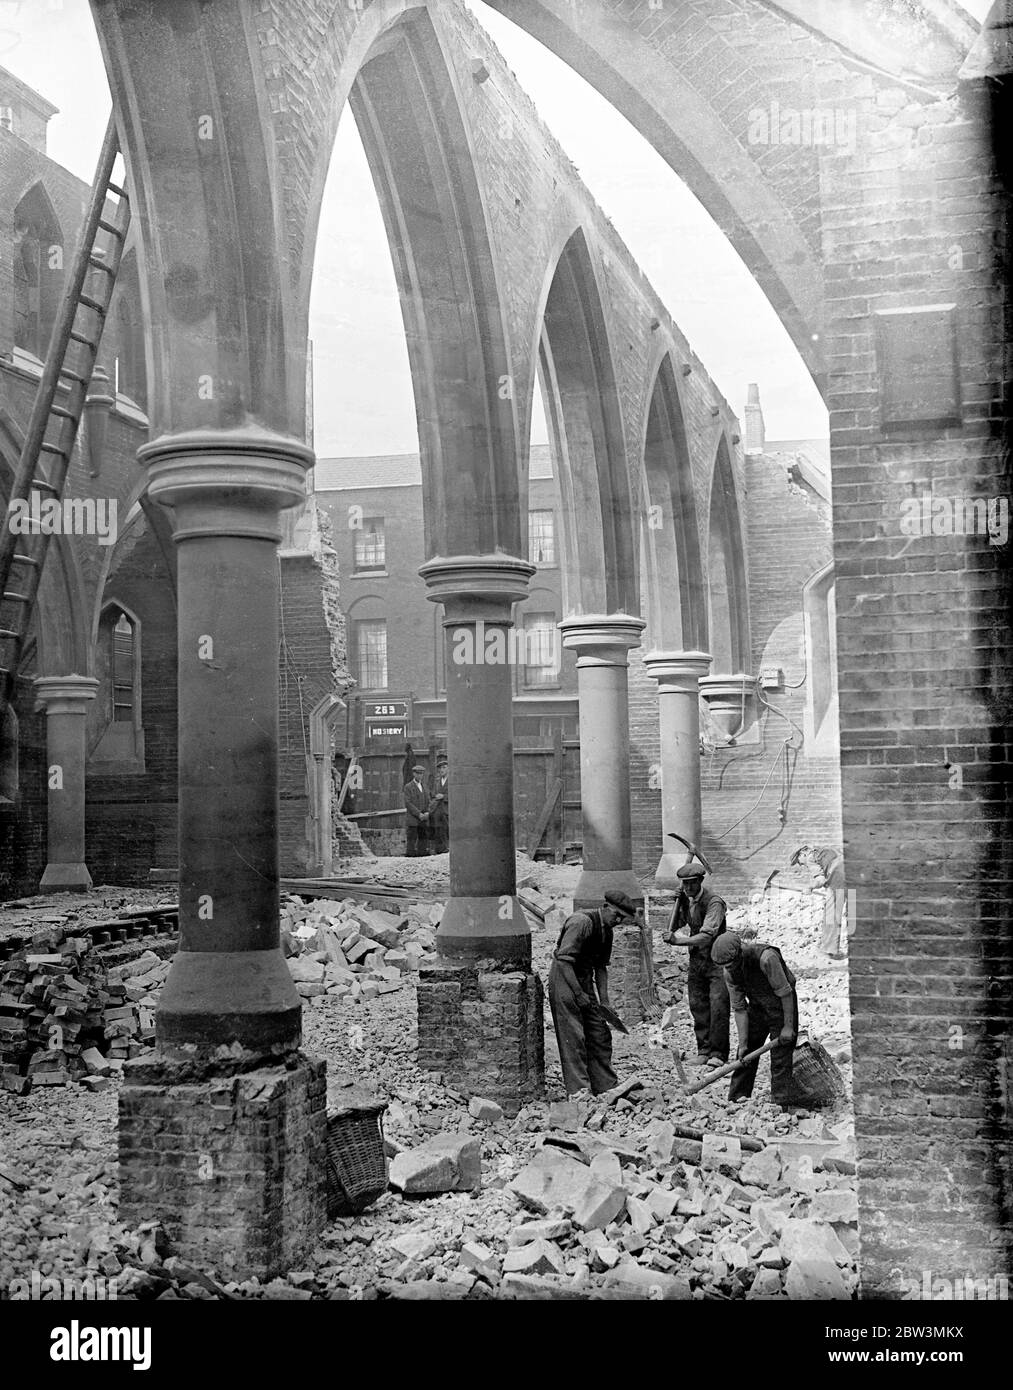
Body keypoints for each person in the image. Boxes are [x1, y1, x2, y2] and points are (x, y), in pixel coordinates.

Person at [548, 890, 641, 1097]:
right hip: (564, 979)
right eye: (616, 915)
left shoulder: (607, 930)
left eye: (622, 918)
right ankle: (579, 1091)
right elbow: (564, 960)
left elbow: (600, 967)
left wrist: (604, 1002)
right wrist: (578, 993)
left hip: (583, 979)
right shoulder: (581, 922)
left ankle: (605, 1085)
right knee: (574, 1036)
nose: (617, 920)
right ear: (605, 907)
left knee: (599, 1032)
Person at [711, 931, 799, 1109]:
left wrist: (788, 1027)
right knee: (744, 1055)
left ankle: (780, 1105)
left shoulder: (766, 958)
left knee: (781, 1058)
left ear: (739, 953)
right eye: (725, 966)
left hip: (782, 1007)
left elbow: (785, 993)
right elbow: (740, 1008)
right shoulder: (729, 973)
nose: (728, 969)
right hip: (758, 1007)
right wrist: (743, 1044)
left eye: (730, 964)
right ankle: (737, 1100)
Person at [663, 860, 729, 1068]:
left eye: (692, 883)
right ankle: (703, 1051)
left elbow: (707, 936)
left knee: (718, 1007)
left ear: (700, 881)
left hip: (717, 961)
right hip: (697, 961)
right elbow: (676, 925)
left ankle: (718, 1054)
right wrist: (676, 903)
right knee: (698, 1006)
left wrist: (678, 941)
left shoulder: (714, 903)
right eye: (685, 884)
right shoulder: (685, 898)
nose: (689, 887)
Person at [792, 845, 846, 958]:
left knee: (831, 914)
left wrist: (810, 887)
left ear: (802, 853)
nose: (802, 865)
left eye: (799, 862)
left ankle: (827, 950)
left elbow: (820, 880)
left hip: (838, 875)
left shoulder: (810, 858)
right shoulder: (823, 850)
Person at [403, 764, 431, 857]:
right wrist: (418, 814)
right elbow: (408, 803)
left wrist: (427, 812)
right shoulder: (408, 787)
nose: (420, 776)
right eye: (418, 773)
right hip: (413, 818)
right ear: (414, 774)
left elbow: (428, 801)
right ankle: (410, 856)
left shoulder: (425, 787)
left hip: (424, 818)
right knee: (412, 838)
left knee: (423, 837)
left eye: (421, 774)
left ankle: (421, 854)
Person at [429, 753, 450, 854]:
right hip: (437, 810)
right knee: (438, 830)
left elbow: (455, 795)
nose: (442, 770)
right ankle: (439, 850)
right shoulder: (437, 781)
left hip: (447, 809)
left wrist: (444, 796)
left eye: (444, 767)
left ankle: (447, 849)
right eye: (440, 768)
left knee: (447, 830)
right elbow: (433, 794)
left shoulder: (452, 781)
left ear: (448, 769)